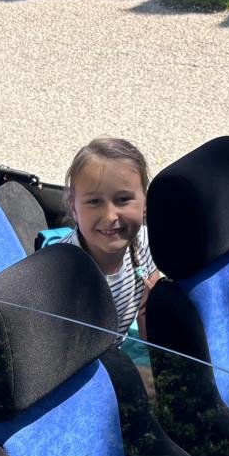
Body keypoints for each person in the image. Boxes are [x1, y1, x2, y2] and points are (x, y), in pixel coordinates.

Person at [60, 138, 161, 333]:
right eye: (94, 201)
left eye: (123, 199)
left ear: (145, 203)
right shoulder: (61, 274)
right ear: (74, 208)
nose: (109, 216)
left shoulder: (144, 241)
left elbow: (149, 315)